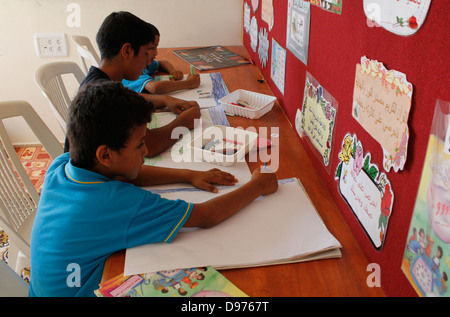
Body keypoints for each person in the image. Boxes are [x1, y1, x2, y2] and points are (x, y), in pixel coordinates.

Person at [29, 82, 278, 297]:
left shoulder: (60, 165)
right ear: (105, 154)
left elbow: (130, 177)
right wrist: (257, 185)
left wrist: (188, 174)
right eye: (139, 146)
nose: (146, 152)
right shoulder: (117, 203)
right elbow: (206, 216)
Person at [64, 11, 201, 157]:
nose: (148, 61)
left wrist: (165, 100)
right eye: (145, 54)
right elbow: (150, 146)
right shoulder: (109, 98)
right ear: (127, 51)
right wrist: (184, 122)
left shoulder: (97, 81)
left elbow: (133, 96)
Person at [122, 23, 201, 95]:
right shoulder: (132, 71)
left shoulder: (144, 65)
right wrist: (189, 83)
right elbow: (155, 87)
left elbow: (162, 63)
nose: (156, 53)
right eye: (152, 48)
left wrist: (173, 71)